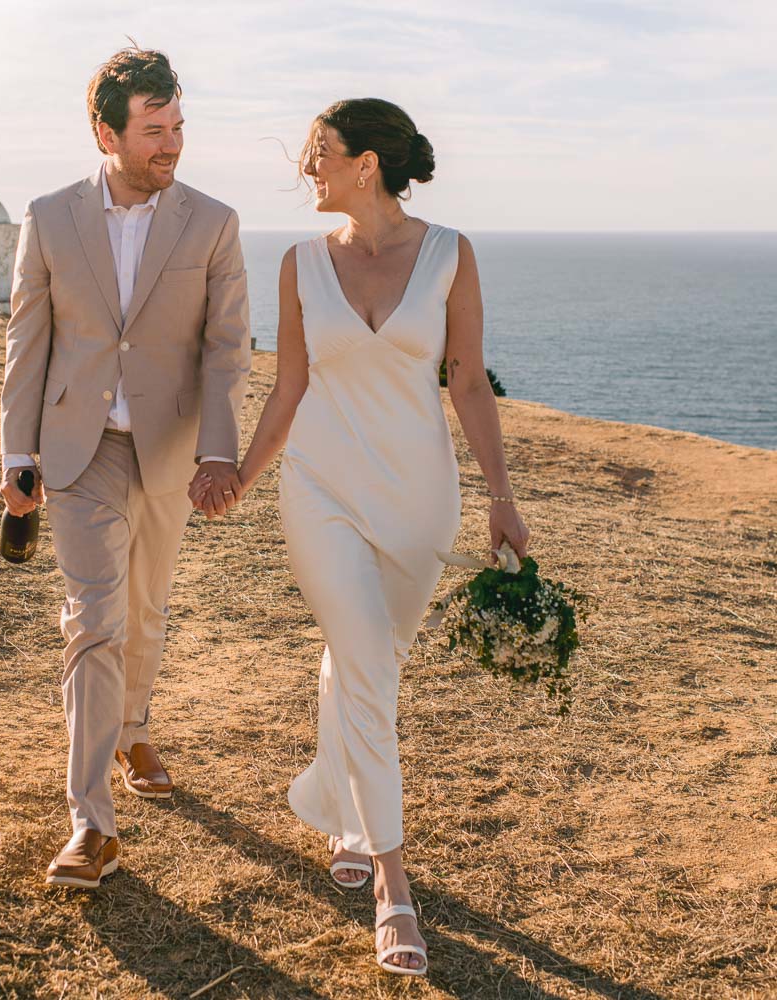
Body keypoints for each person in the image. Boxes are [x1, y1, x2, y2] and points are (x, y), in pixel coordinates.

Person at [191, 98, 529, 976]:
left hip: (420, 499)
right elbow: (290, 386)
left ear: (366, 165)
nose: (311, 170)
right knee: (370, 668)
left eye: (321, 156)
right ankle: (393, 884)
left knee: (368, 660)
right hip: (322, 490)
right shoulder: (302, 263)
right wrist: (243, 477)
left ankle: (335, 799)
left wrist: (501, 497)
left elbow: (469, 386)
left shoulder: (451, 255)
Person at [0, 46, 251, 889]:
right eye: (153, 131)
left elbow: (224, 352)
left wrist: (220, 450)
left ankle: (136, 721)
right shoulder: (48, 215)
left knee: (144, 607)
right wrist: (16, 454)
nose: (171, 146)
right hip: (79, 453)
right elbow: (27, 341)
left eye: (178, 127)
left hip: (169, 452)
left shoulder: (213, 223)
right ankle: (90, 824)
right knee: (94, 619)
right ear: (104, 130)